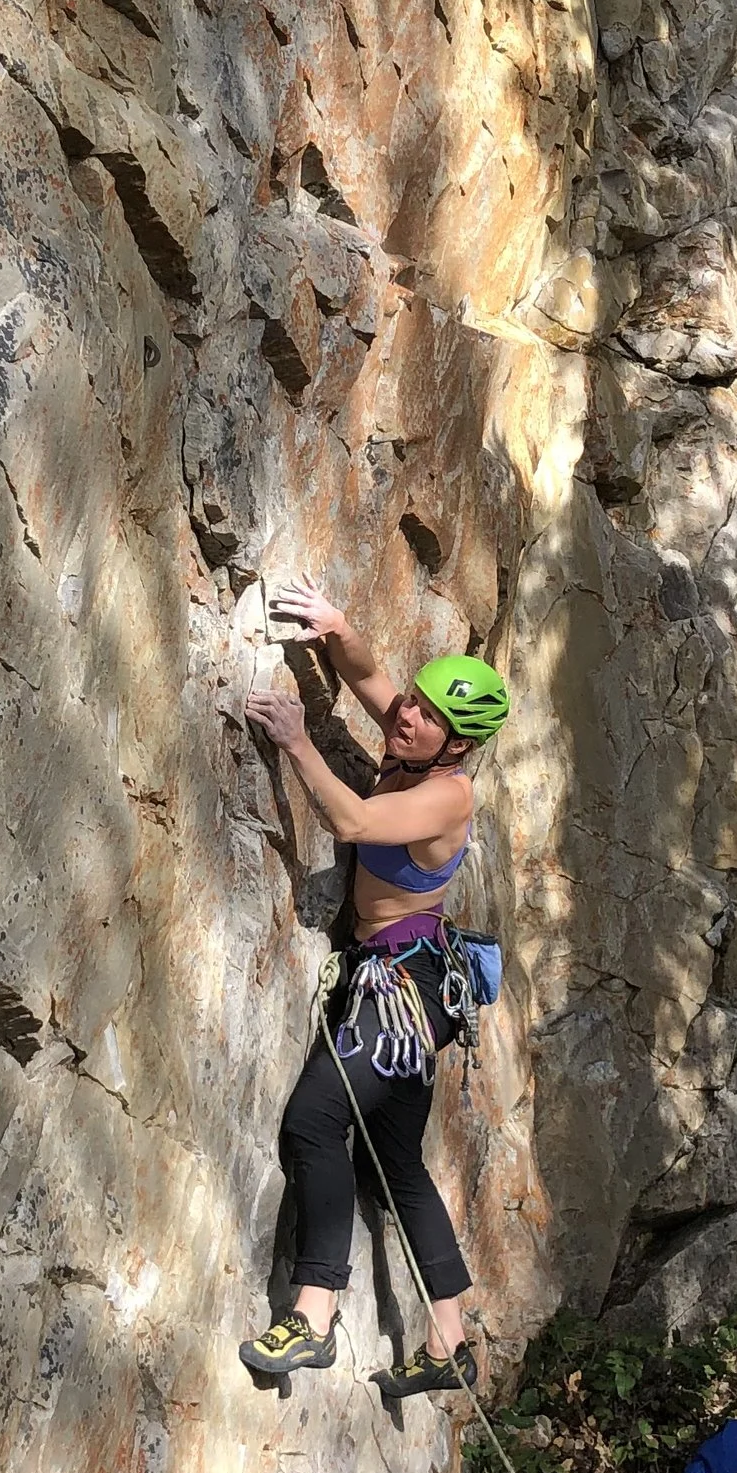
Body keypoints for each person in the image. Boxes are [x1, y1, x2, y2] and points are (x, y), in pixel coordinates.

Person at [237, 582, 510, 1397]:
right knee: (395, 1162)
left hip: (402, 985)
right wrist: (337, 629)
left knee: (313, 1122)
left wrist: (297, 740)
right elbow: (371, 681)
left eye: (428, 716)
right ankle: (448, 1338)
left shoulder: (446, 795)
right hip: (412, 982)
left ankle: (312, 1316)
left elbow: (353, 824)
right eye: (417, 702)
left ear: (458, 745)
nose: (408, 715)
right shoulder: (416, 741)